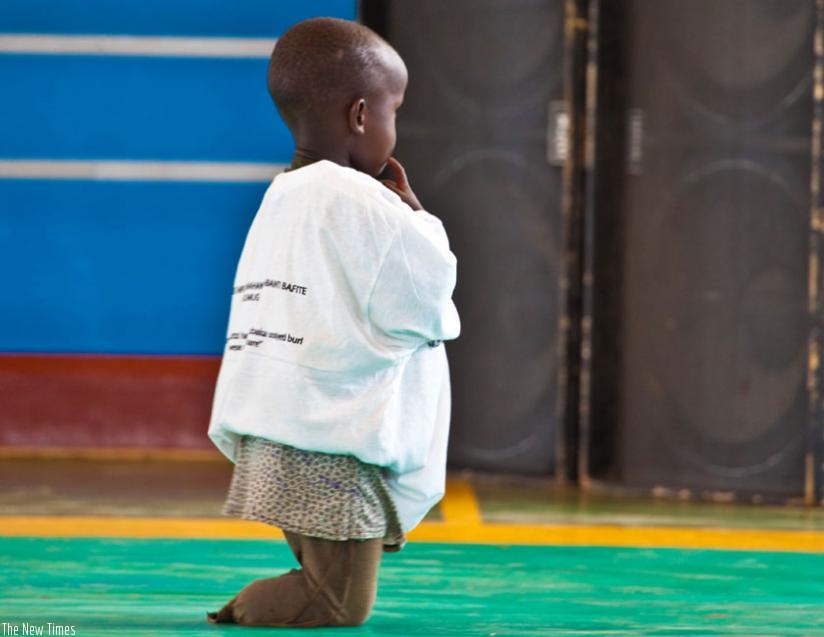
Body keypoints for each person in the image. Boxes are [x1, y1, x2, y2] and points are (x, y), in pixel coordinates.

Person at [206, 17, 460, 627]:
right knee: (337, 601)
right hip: (330, 445)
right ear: (361, 116)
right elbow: (426, 297)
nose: (394, 130)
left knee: (329, 583)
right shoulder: (356, 199)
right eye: (395, 111)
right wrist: (418, 218)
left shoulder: (285, 194)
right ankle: (243, 610)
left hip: (283, 429)